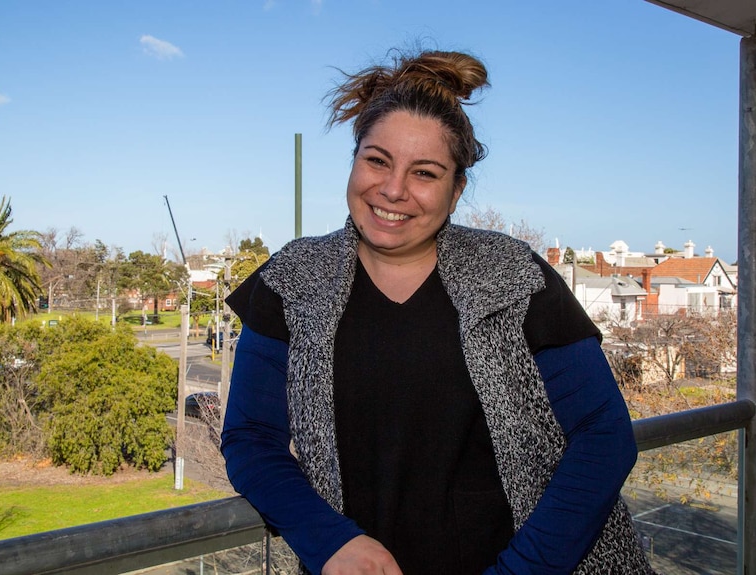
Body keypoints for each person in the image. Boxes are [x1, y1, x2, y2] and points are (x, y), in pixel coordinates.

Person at [221, 49, 656, 575]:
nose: (393, 189)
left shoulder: (514, 277)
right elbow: (251, 439)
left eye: (424, 172)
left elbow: (604, 432)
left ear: (456, 191)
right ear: (354, 160)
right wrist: (328, 541)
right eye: (377, 160)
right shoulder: (291, 281)